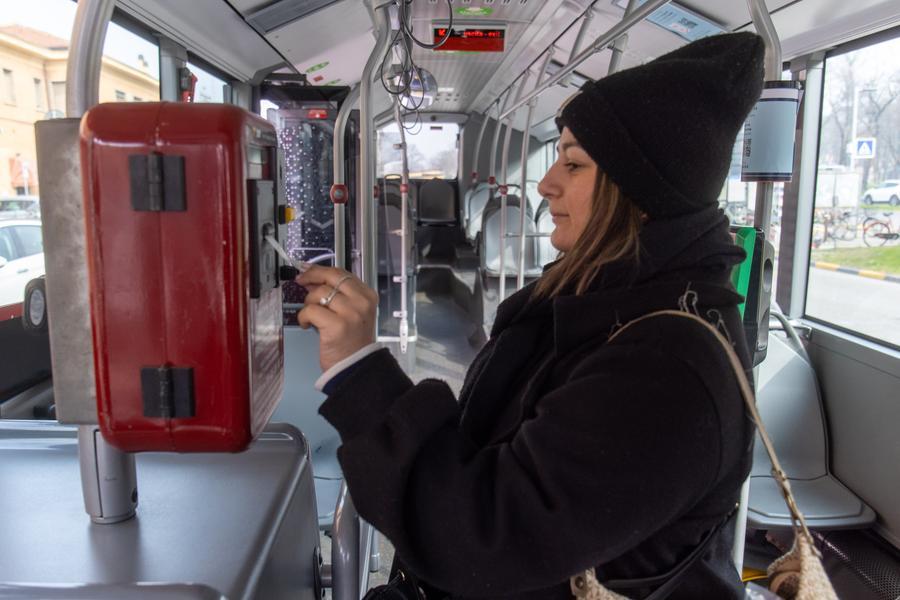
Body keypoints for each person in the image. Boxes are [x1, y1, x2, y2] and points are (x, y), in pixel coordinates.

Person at [296, 32, 765, 599]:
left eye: (573, 163)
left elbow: (488, 535)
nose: (546, 184)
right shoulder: (605, 298)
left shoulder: (666, 370)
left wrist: (359, 371)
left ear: (638, 188)